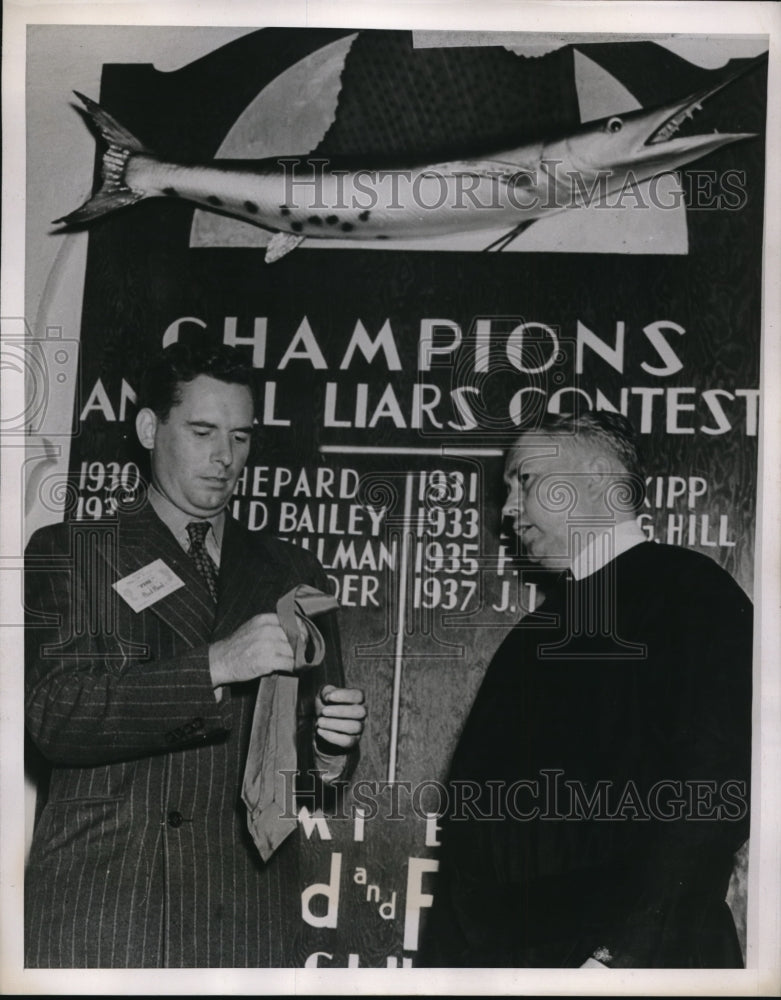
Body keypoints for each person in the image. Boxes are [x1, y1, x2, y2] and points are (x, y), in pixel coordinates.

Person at [24, 342, 366, 967]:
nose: (224, 457)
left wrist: (329, 749)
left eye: (240, 437)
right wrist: (214, 665)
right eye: (203, 431)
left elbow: (308, 784)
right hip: (108, 904)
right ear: (150, 428)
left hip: (240, 910)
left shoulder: (294, 570)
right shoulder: (74, 550)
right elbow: (54, 717)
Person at [420, 411, 752, 968]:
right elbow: (471, 846)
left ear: (599, 480)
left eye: (525, 481)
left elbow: (712, 795)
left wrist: (615, 957)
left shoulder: (694, 596)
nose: (506, 511)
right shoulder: (534, 635)